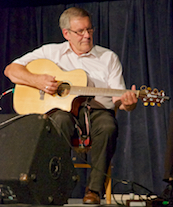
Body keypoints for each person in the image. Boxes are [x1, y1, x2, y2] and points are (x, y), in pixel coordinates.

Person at [4, 7, 138, 204]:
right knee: (58, 120)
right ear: (66, 33)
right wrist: (37, 81)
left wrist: (129, 104)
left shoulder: (108, 58)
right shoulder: (50, 52)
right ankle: (56, 187)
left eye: (90, 30)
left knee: (109, 126)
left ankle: (93, 190)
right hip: (63, 113)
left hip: (97, 112)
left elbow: (119, 98)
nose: (87, 35)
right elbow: (11, 70)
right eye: (80, 31)